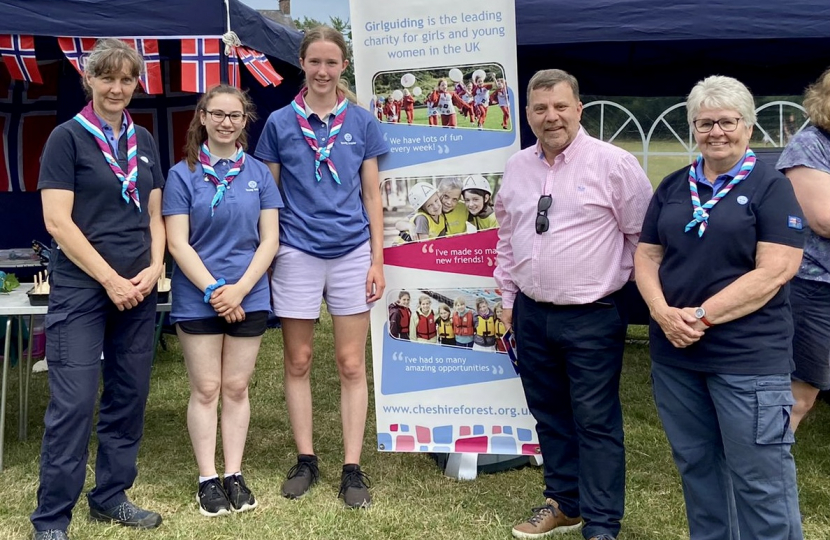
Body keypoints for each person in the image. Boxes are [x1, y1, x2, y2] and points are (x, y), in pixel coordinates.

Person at [635, 75, 805, 540]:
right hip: (676, 355)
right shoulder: (673, 185)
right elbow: (647, 255)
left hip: (747, 358)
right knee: (698, 469)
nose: (716, 132)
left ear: (748, 127)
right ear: (692, 127)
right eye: (705, 122)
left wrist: (701, 316)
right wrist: (661, 311)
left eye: (727, 122)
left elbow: (776, 269)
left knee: (760, 478)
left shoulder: (772, 187)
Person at [495, 69, 652, 540]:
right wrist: (507, 297)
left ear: (579, 109)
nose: (551, 117)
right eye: (540, 109)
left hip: (592, 314)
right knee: (549, 413)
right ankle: (565, 502)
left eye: (561, 106)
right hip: (531, 311)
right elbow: (507, 237)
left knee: (595, 419)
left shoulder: (614, 164)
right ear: (527, 115)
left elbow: (644, 238)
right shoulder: (517, 167)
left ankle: (602, 523)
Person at [31, 39, 166, 540]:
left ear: (136, 83)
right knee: (75, 402)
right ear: (89, 80)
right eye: (107, 78)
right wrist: (109, 280)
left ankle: (110, 496)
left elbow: (155, 215)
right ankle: (51, 519)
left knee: (128, 397)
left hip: (138, 287)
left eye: (126, 79)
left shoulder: (146, 141)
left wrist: (155, 268)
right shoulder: (66, 138)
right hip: (83, 290)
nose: (116, 87)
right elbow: (57, 223)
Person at [254, 25, 389, 509]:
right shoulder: (278, 123)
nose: (324, 71)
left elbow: (373, 196)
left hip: (352, 251)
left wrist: (377, 259)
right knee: (299, 360)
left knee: (351, 363)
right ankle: (306, 458)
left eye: (332, 62)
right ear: (302, 65)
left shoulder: (362, 121)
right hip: (297, 251)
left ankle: (352, 467)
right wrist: (266, 257)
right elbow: (266, 198)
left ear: (343, 67)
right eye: (315, 62)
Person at [163, 85, 282, 517]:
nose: (227, 122)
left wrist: (241, 290)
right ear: (203, 117)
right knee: (207, 388)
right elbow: (178, 243)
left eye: (235, 115)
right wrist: (217, 291)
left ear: (244, 121)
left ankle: (234, 472)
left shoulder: (259, 175)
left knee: (235, 387)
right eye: (218, 114)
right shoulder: (181, 175)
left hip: (250, 293)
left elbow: (269, 240)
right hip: (199, 298)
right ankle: (207, 477)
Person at [776, 68, 830, 432]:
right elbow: (824, 220)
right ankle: (765, 467)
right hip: (816, 287)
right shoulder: (810, 145)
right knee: (800, 392)